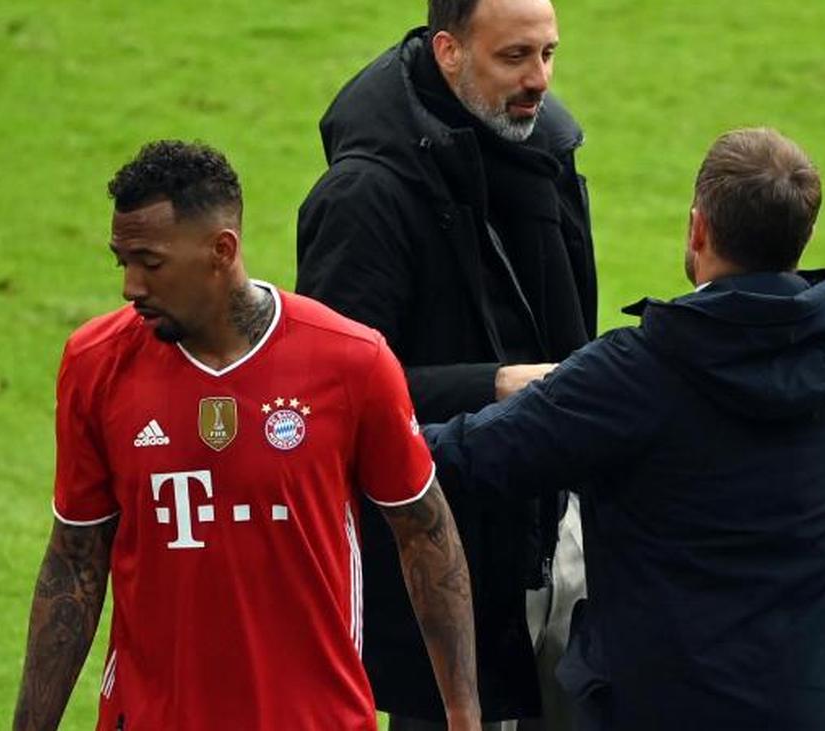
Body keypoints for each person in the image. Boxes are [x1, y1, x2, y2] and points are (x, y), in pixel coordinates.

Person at [425, 128, 825, 730]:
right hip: (807, 707)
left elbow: (461, 458)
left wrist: (360, 400)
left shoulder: (634, 374)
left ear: (698, 229)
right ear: (804, 235)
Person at [12, 141, 480, 731]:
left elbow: (425, 533)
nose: (130, 287)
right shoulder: (95, 363)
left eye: (150, 263)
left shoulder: (350, 361)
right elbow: (74, 562)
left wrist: (463, 714)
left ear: (222, 250)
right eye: (121, 261)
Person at [296, 0, 595, 727]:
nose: (539, 79)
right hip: (442, 563)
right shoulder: (365, 196)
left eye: (548, 53)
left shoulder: (546, 153)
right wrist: (494, 385)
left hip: (557, 534)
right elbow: (326, 393)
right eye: (514, 57)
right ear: (448, 51)